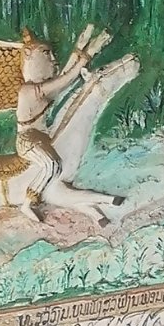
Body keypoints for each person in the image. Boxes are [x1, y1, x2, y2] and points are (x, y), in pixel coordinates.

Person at [9, 25, 110, 217]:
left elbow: (64, 77)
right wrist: (88, 54)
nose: (53, 60)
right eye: (46, 54)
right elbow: (66, 79)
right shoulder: (28, 91)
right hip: (29, 141)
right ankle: (28, 202)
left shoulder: (41, 88)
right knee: (53, 164)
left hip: (42, 137)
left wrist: (79, 50)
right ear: (29, 55)